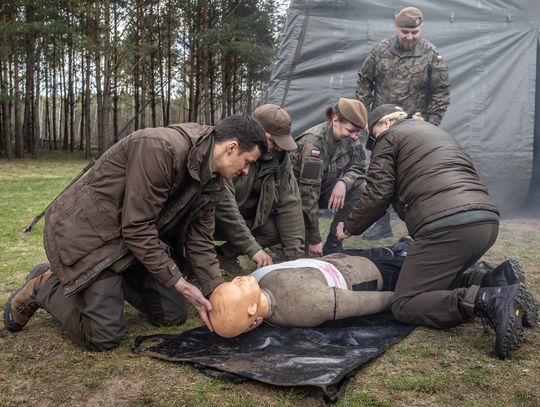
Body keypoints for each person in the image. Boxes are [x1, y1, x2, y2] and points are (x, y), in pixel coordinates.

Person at [4, 114, 268, 351]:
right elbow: (137, 228)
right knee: (102, 336)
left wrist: (217, 296)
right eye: (247, 162)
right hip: (89, 237)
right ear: (232, 147)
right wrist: (180, 282)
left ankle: (107, 283)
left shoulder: (215, 181)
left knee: (172, 314)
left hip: (129, 245)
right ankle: (44, 284)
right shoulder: (160, 148)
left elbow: (200, 240)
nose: (245, 171)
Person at [336, 104, 528, 359]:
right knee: (439, 282)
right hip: (485, 221)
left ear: (383, 124)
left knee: (406, 303)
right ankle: (495, 281)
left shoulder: (389, 138)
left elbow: (378, 194)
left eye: (372, 136)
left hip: (448, 226)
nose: (373, 143)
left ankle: (488, 300)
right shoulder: (433, 132)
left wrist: (349, 227)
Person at [356, 6, 450, 240]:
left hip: (414, 128)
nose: (409, 37)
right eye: (405, 31)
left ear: (421, 29)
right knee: (380, 174)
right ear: (396, 28)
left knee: (415, 174)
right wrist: (365, 116)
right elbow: (364, 81)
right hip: (383, 126)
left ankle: (420, 224)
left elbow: (441, 92)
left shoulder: (431, 53)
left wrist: (431, 125)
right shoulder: (381, 51)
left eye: (414, 32)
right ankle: (381, 223)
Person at [209, 239, 410, 338]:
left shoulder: (255, 281)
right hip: (361, 274)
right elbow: (359, 303)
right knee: (404, 263)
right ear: (251, 309)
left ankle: (396, 249)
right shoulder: (306, 304)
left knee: (382, 252)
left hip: (334, 260)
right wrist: (398, 300)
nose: (237, 279)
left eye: (232, 282)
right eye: (237, 287)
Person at [214, 104, 305, 276]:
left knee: (272, 229)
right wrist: (252, 248)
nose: (279, 147)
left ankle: (223, 256)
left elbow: (289, 204)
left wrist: (297, 260)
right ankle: (190, 261)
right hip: (212, 218)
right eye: (273, 141)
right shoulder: (231, 151)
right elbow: (224, 206)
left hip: (242, 218)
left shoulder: (279, 158)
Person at [291, 97, 368, 257]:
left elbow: (360, 167)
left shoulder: (349, 138)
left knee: (361, 187)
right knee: (301, 257)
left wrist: (343, 182)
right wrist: (314, 239)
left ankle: (333, 242)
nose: (355, 136)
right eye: (350, 130)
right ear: (335, 120)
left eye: (357, 132)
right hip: (294, 200)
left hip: (320, 190)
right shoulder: (314, 144)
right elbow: (307, 194)